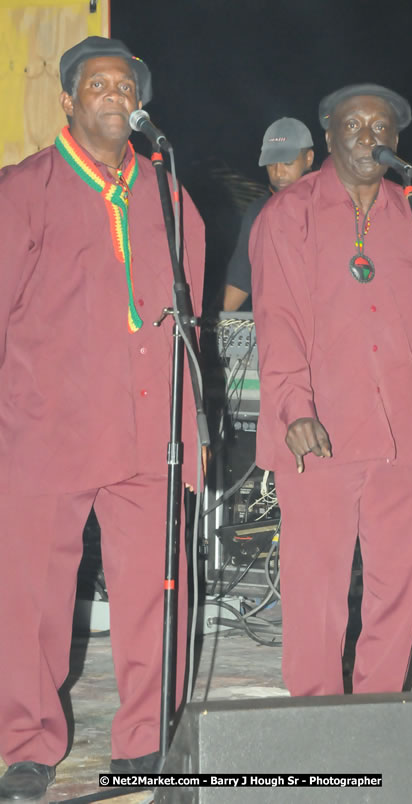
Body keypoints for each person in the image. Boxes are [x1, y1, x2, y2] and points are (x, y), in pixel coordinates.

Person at [0, 36, 205, 798]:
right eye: (99, 84)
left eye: (128, 85)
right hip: (41, 432)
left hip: (149, 432)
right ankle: (27, 744)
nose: (117, 96)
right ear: (68, 99)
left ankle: (146, 742)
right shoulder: (24, 189)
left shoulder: (167, 191)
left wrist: (191, 425)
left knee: (157, 589)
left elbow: (184, 321)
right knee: (29, 600)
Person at [250, 83, 412, 697]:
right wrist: (293, 410)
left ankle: (378, 712)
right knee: (317, 588)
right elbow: (278, 322)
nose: (367, 136)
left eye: (380, 127)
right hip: (321, 431)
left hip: (401, 432)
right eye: (353, 126)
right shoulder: (290, 213)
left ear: (396, 142)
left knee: (399, 585)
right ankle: (316, 718)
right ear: (327, 136)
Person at [223, 117, 314, 312]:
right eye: (272, 163)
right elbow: (240, 280)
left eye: (287, 162)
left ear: (308, 159)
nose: (278, 172)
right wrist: (210, 326)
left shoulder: (330, 204)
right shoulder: (257, 211)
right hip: (276, 326)